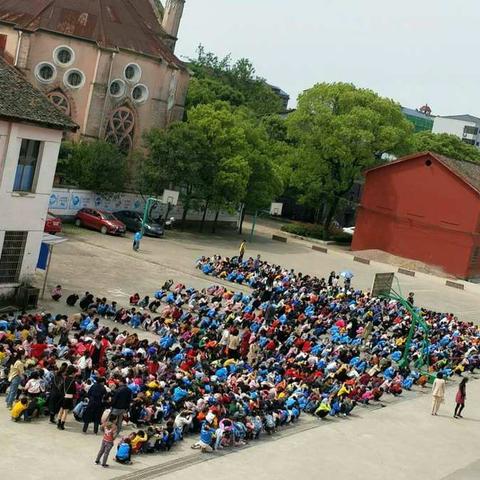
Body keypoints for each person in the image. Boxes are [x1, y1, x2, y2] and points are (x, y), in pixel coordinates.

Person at [57, 365, 77, 430]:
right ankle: (62, 425)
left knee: (61, 410)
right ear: (73, 372)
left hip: (63, 396)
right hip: (69, 397)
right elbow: (74, 391)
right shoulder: (73, 381)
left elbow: (61, 387)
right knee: (65, 412)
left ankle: (58, 423)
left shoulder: (65, 378)